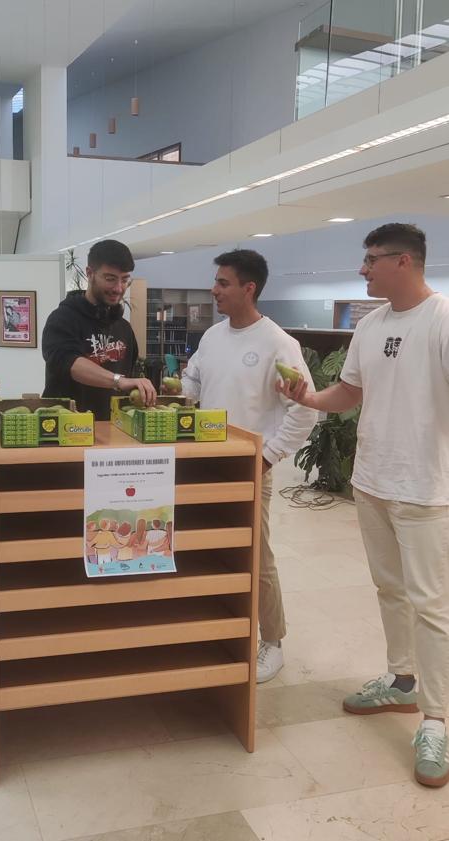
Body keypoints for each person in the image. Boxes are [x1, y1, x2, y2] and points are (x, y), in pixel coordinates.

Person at [278, 223, 449, 788]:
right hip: (372, 481)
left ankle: (437, 718)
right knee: (390, 589)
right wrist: (308, 396)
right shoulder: (371, 325)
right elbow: (350, 392)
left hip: (426, 488)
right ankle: (402, 681)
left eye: (372, 259)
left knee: (431, 604)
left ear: (404, 261)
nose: (363, 268)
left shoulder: (443, 319)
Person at [179, 249, 317, 683]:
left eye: (223, 283)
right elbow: (194, 381)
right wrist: (177, 389)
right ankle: (218, 626)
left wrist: (266, 456)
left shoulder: (279, 343)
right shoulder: (214, 337)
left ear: (248, 288)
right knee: (208, 550)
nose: (214, 290)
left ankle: (272, 641)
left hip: (249, 469)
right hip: (204, 464)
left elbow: (306, 410)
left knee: (256, 557)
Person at [42, 239, 156, 420]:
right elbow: (71, 364)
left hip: (114, 432)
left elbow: (129, 378)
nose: (119, 288)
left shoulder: (124, 328)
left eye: (125, 279)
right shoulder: (62, 319)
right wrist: (119, 381)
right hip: (65, 432)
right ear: (90, 273)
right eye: (110, 279)